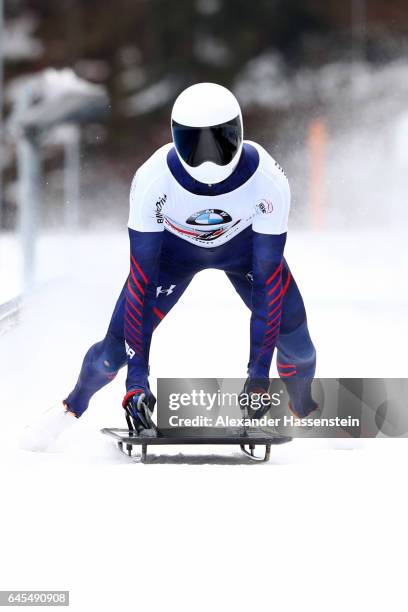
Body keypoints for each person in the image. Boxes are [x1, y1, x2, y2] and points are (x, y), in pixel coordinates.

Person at [21, 82, 317, 451]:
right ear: (175, 138)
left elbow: (269, 283)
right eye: (195, 146)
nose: (208, 159)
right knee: (111, 355)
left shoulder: (268, 180)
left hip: (244, 258)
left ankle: (306, 410)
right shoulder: (152, 181)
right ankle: (68, 410)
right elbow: (141, 285)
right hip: (172, 261)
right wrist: (136, 382)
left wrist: (258, 377)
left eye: (220, 143)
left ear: (240, 134)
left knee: (300, 349)